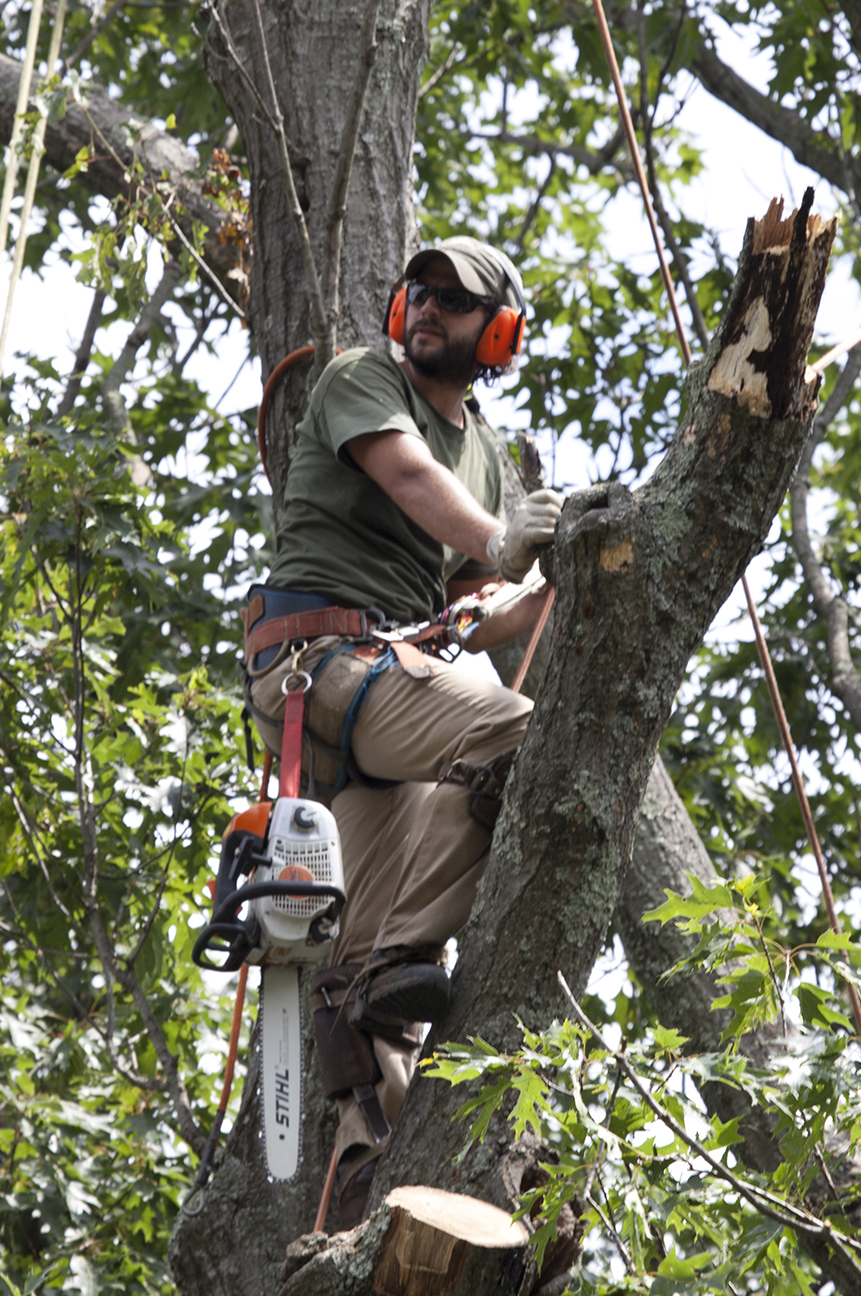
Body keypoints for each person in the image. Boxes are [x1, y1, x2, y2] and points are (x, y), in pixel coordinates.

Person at [240, 235, 562, 1228]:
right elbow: (410, 477)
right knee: (515, 740)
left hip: (388, 705)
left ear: (495, 333)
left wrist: (556, 574)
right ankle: (395, 967)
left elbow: (489, 608)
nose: (425, 308)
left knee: (368, 990)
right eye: (417, 291)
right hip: (323, 669)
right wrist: (502, 540)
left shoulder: (489, 459)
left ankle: (356, 1202)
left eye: (453, 302)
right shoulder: (362, 380)